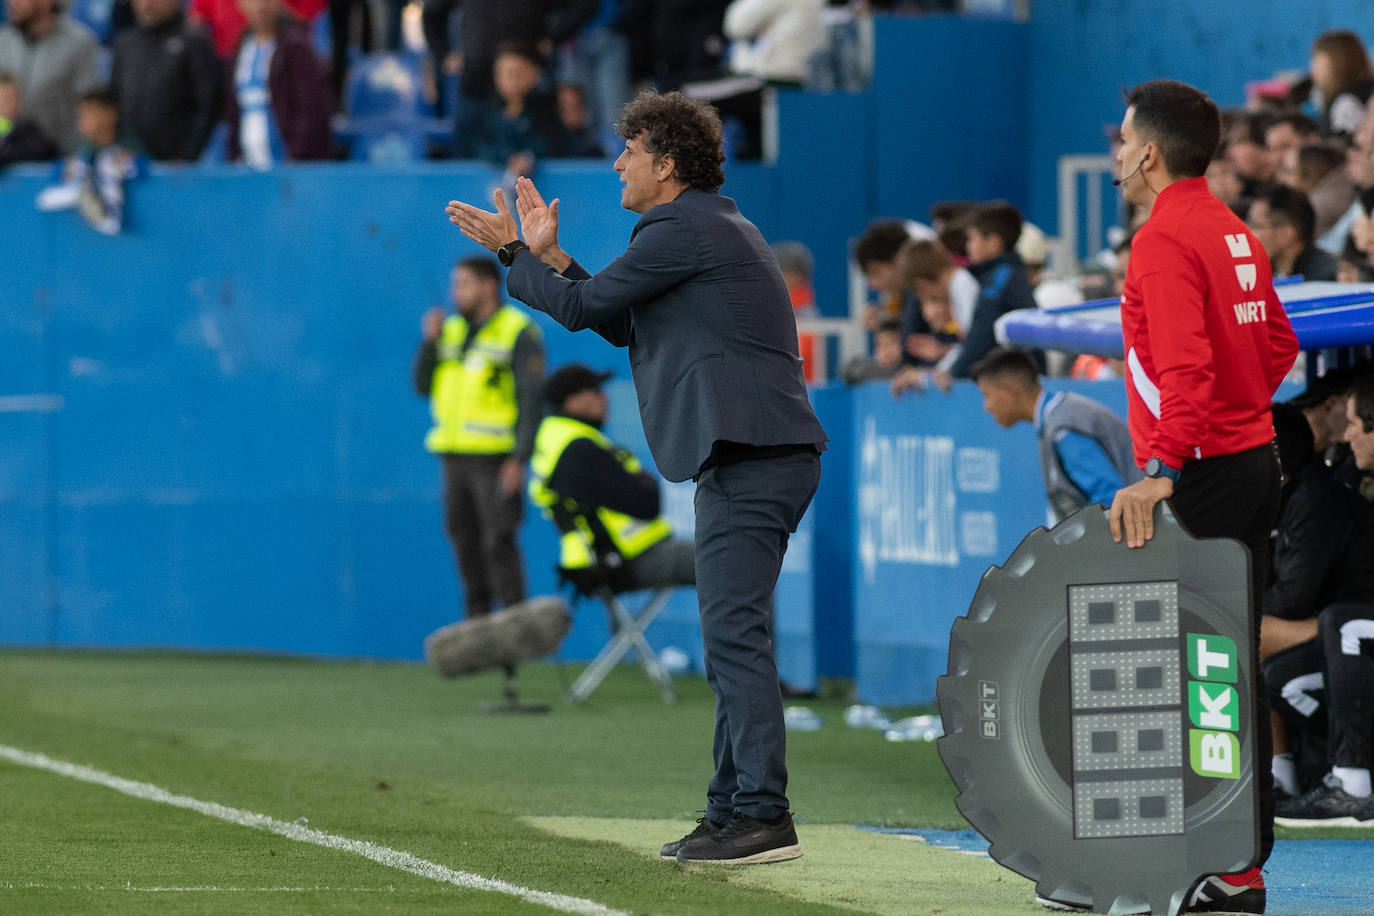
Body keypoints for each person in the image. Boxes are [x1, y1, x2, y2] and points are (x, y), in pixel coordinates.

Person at [446, 88, 826, 866]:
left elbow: (586, 309)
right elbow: (621, 318)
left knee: (733, 639)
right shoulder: (699, 228)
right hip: (755, 455)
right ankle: (730, 812)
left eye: (631, 151)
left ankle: (761, 813)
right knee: (732, 638)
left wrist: (517, 255)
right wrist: (547, 258)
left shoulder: (680, 226)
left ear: (670, 163)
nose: (617, 161)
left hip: (755, 457)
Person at [1105, 78, 1300, 915]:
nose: (1115, 154)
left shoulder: (1162, 239)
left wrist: (1165, 468)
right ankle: (1235, 870)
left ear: (1148, 152)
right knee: (1221, 664)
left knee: (1174, 665)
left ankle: (1191, 865)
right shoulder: (1232, 230)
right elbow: (1280, 344)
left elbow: (1185, 369)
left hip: (1203, 470)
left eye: (1120, 140)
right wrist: (1239, 420)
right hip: (1250, 459)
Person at [411, 255, 545, 621]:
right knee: (463, 540)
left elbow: (532, 400)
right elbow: (422, 385)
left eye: (464, 284)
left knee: (499, 540)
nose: (456, 293)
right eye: (454, 285)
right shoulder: (449, 331)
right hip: (453, 456)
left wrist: (520, 458)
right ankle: (478, 625)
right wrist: (428, 343)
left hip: (496, 459)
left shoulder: (517, 331)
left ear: (488, 285)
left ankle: (516, 626)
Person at [1269, 371, 1374, 825]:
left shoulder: (1315, 497)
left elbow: (1294, 596)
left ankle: (1352, 783)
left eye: (1356, 424)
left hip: (1351, 626)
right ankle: (1288, 774)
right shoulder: (1299, 495)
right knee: (1281, 676)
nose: (1346, 435)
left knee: (1341, 624)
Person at [528, 363, 694, 596]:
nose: (604, 397)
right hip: (620, 561)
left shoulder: (557, 439)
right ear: (572, 402)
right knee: (726, 559)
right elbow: (647, 503)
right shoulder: (575, 447)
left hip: (606, 560)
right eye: (595, 390)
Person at [971, 347, 1141, 523]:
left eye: (987, 395)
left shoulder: (1064, 428)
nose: (986, 407)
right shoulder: (1057, 417)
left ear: (1010, 390)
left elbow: (1108, 500)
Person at [224, 0, 333, 167]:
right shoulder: (241, 46)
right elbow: (234, 110)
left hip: (290, 169)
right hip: (248, 167)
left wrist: (297, 156)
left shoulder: (296, 46)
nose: (259, 6)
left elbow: (311, 106)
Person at [110, 0, 222, 162]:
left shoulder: (194, 41)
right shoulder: (125, 44)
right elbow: (115, 101)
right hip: (131, 163)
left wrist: (187, 156)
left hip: (178, 165)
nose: (146, 6)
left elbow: (208, 104)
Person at [0, 0, 101, 153]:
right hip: (8, 158)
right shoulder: (3, 40)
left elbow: (91, 110)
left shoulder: (79, 43)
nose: (11, 3)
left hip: (59, 160)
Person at [35, 86, 138, 235]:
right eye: (81, 114)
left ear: (110, 114)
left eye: (90, 113)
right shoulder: (79, 148)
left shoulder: (129, 145)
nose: (83, 119)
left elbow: (139, 165)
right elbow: (61, 170)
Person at [1247, 184, 1339, 282]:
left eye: (1255, 226)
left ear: (1285, 234)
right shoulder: (1265, 272)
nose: (1246, 233)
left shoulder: (1325, 277)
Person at [1309, 29, 1374, 141]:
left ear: (1336, 62)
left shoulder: (1346, 102)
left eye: (1317, 59)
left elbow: (1344, 147)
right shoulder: (1359, 91)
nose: (1312, 66)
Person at [0, 69, 57, 164]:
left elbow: (50, 151)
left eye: (16, 98)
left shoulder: (28, 127)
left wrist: (6, 151)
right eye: (6, 99)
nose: (13, 104)